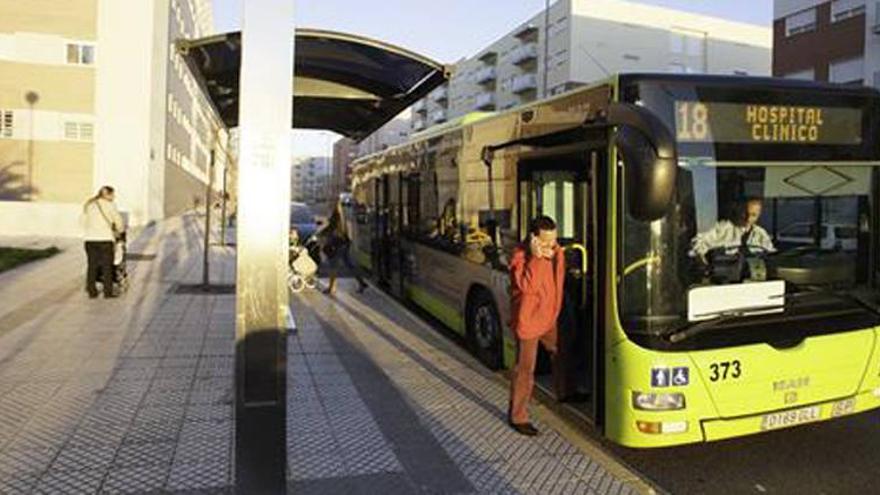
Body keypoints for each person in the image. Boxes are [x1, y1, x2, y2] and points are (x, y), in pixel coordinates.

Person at [508, 215, 566, 436]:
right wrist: (537, 257)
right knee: (525, 369)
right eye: (545, 242)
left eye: (553, 240)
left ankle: (565, 390)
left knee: (560, 350)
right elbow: (527, 286)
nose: (550, 246)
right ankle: (518, 416)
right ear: (533, 239)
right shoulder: (521, 258)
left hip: (550, 315)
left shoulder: (555, 252)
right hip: (529, 321)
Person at [690, 197, 775, 262]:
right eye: (745, 213)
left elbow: (771, 255)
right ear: (739, 210)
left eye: (753, 215)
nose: (748, 218)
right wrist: (703, 259)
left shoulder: (761, 234)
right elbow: (697, 243)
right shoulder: (722, 229)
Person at [81, 186, 124, 299]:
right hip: (105, 240)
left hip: (90, 240)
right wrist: (120, 231)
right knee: (107, 266)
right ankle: (107, 292)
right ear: (107, 195)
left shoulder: (89, 205)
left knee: (92, 266)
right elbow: (118, 221)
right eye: (113, 194)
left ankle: (92, 291)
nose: (114, 197)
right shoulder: (110, 205)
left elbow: (82, 221)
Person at [320, 200, 368, 295]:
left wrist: (320, 234)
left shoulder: (336, 215)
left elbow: (331, 228)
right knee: (349, 264)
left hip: (338, 244)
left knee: (333, 265)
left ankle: (331, 288)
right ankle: (361, 283)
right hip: (344, 242)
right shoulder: (341, 214)